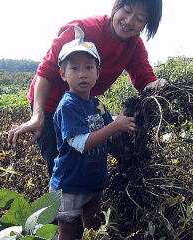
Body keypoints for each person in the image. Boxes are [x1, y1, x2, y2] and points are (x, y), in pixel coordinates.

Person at [7, 0, 165, 177]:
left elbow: (145, 79)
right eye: (127, 11)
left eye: (139, 19)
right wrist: (38, 115)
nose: (129, 21)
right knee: (62, 167)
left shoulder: (134, 45)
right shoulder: (83, 30)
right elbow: (45, 72)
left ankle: (98, 195)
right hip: (50, 105)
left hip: (84, 104)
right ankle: (64, 203)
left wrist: (160, 87)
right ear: (116, 7)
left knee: (92, 159)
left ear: (146, 24)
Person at [50, 30, 136, 240]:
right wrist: (116, 126)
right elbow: (81, 143)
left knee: (93, 228)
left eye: (89, 67)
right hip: (69, 186)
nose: (82, 74)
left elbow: (112, 131)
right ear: (63, 74)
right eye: (75, 68)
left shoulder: (96, 103)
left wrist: (129, 123)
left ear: (98, 73)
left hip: (94, 182)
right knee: (69, 232)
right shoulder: (68, 106)